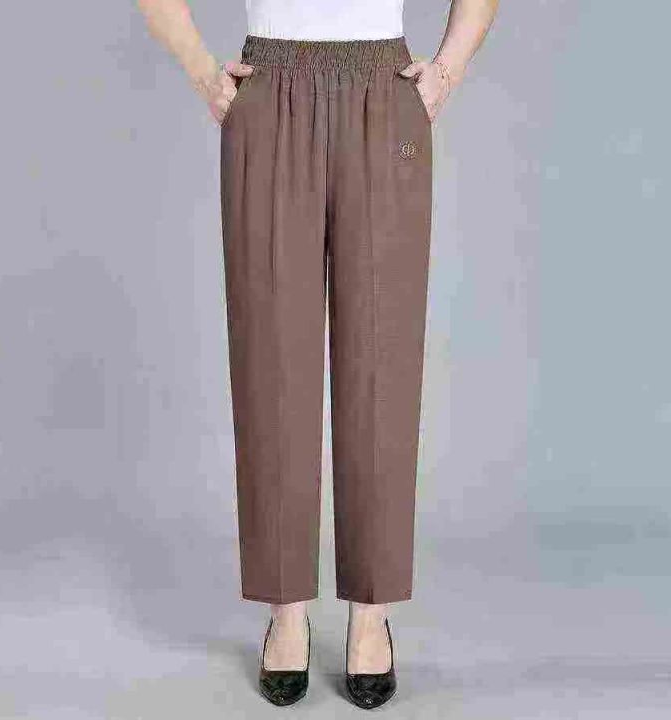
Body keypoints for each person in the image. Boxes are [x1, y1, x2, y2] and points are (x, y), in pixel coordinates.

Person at [137, 0, 499, 708]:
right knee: (271, 358)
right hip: (270, 88)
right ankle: (286, 612)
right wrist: (204, 72)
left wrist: (447, 70)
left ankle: (371, 614)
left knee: (384, 361)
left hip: (382, 88)